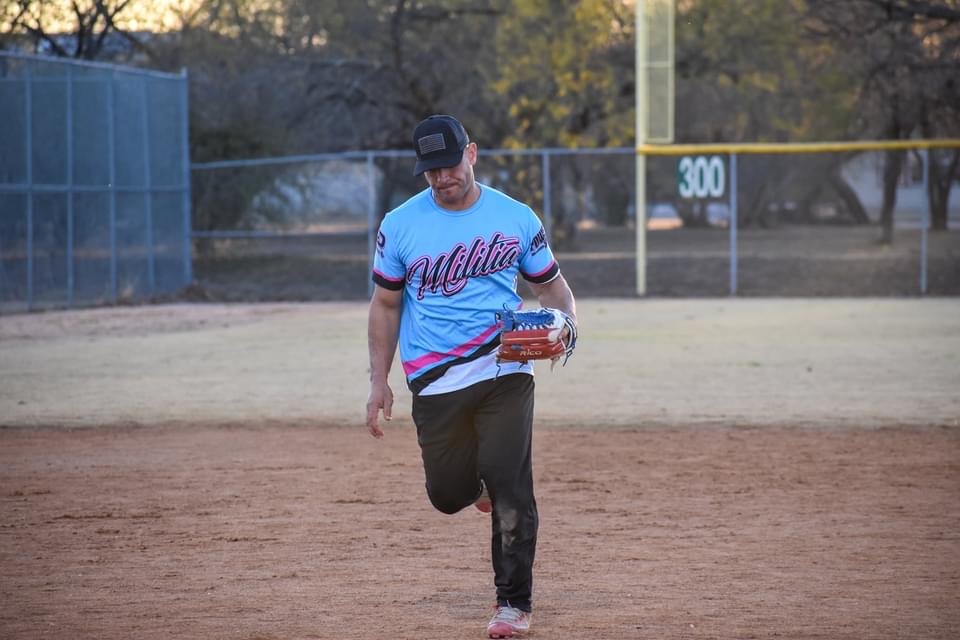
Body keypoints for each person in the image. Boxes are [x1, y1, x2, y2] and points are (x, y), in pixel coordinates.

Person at [365, 114, 578, 639]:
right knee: (446, 494)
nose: (443, 178)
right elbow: (386, 305)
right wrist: (378, 380)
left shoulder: (515, 218)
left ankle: (513, 604)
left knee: (511, 484)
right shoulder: (400, 225)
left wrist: (567, 327)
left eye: (450, 165)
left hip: (506, 367)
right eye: (431, 170)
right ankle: (477, 483)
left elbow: (552, 288)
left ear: (472, 154)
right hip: (434, 379)